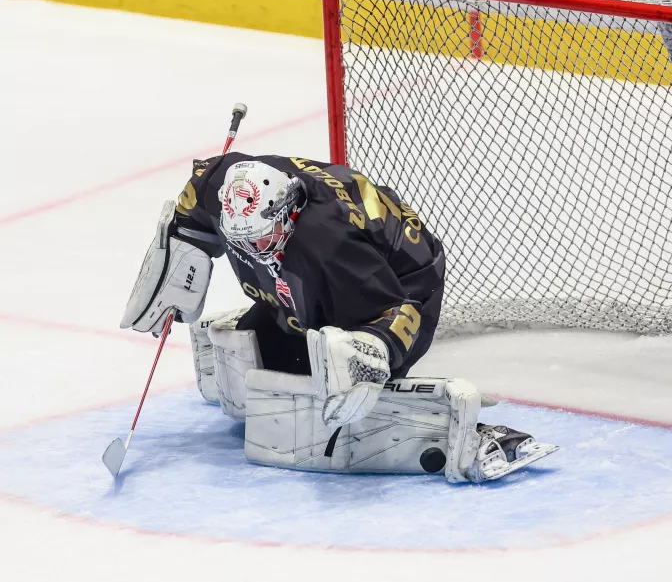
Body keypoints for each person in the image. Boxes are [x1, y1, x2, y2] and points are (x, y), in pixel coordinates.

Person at [119, 152, 556, 482]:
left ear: (288, 210)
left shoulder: (331, 247)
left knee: (345, 376)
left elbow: (396, 310)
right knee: (264, 364)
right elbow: (195, 200)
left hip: (401, 284)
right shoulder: (221, 186)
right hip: (321, 261)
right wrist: (178, 256)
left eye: (261, 238)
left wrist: (370, 354)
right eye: (242, 240)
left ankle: (476, 435)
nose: (252, 250)